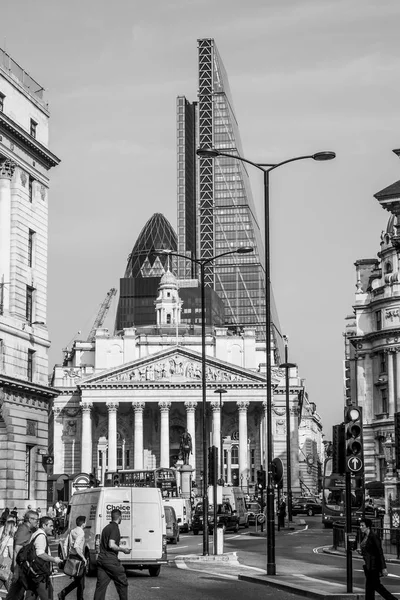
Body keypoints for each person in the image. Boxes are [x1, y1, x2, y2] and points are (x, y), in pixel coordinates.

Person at [93, 508, 131, 600]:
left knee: (101, 587)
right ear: (120, 517)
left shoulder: (106, 528)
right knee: (122, 582)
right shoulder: (115, 528)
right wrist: (123, 550)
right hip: (110, 560)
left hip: (102, 560)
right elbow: (111, 544)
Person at [24, 516, 62, 600]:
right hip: (40, 574)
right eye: (50, 526)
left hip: (33, 573)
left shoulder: (36, 533)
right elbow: (40, 553)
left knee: (30, 597)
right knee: (48, 596)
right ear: (44, 526)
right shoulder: (41, 536)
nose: (52, 528)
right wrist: (54, 559)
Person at [359, 517, 396, 600]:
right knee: (370, 587)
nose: (360, 527)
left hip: (374, 566)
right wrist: (361, 552)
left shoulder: (373, 536)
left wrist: (383, 568)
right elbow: (369, 550)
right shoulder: (365, 536)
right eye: (360, 525)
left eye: (362, 525)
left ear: (368, 526)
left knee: (376, 586)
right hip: (368, 565)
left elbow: (379, 552)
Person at [5, 509, 39, 600]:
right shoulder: (23, 530)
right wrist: (16, 571)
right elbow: (16, 551)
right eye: (36, 519)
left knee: (17, 594)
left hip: (23, 568)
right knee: (17, 595)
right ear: (30, 519)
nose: (37, 522)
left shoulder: (28, 529)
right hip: (21, 569)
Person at [58, 515, 87, 600]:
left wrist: (66, 556)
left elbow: (65, 544)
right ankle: (65, 593)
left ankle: (63, 593)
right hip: (78, 558)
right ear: (83, 524)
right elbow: (76, 546)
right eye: (85, 522)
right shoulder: (81, 532)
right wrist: (84, 558)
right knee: (81, 582)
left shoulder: (72, 531)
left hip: (72, 557)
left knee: (78, 581)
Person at [0, 518, 16, 591]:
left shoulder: (3, 538)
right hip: (6, 566)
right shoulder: (10, 539)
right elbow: (12, 555)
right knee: (11, 590)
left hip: (1, 563)